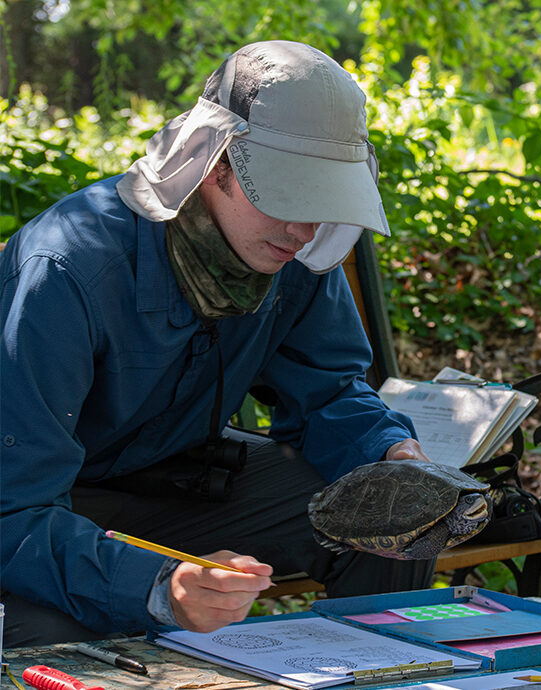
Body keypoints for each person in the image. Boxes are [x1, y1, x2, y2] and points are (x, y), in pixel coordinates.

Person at [0, 40, 435, 646]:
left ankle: (373, 674)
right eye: (286, 193)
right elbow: (11, 509)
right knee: (50, 633)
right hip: (38, 510)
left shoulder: (291, 255)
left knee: (388, 515)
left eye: (323, 202)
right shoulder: (68, 269)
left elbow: (329, 392)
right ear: (212, 161)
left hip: (173, 482)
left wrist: (391, 455)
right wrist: (156, 584)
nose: (304, 231)